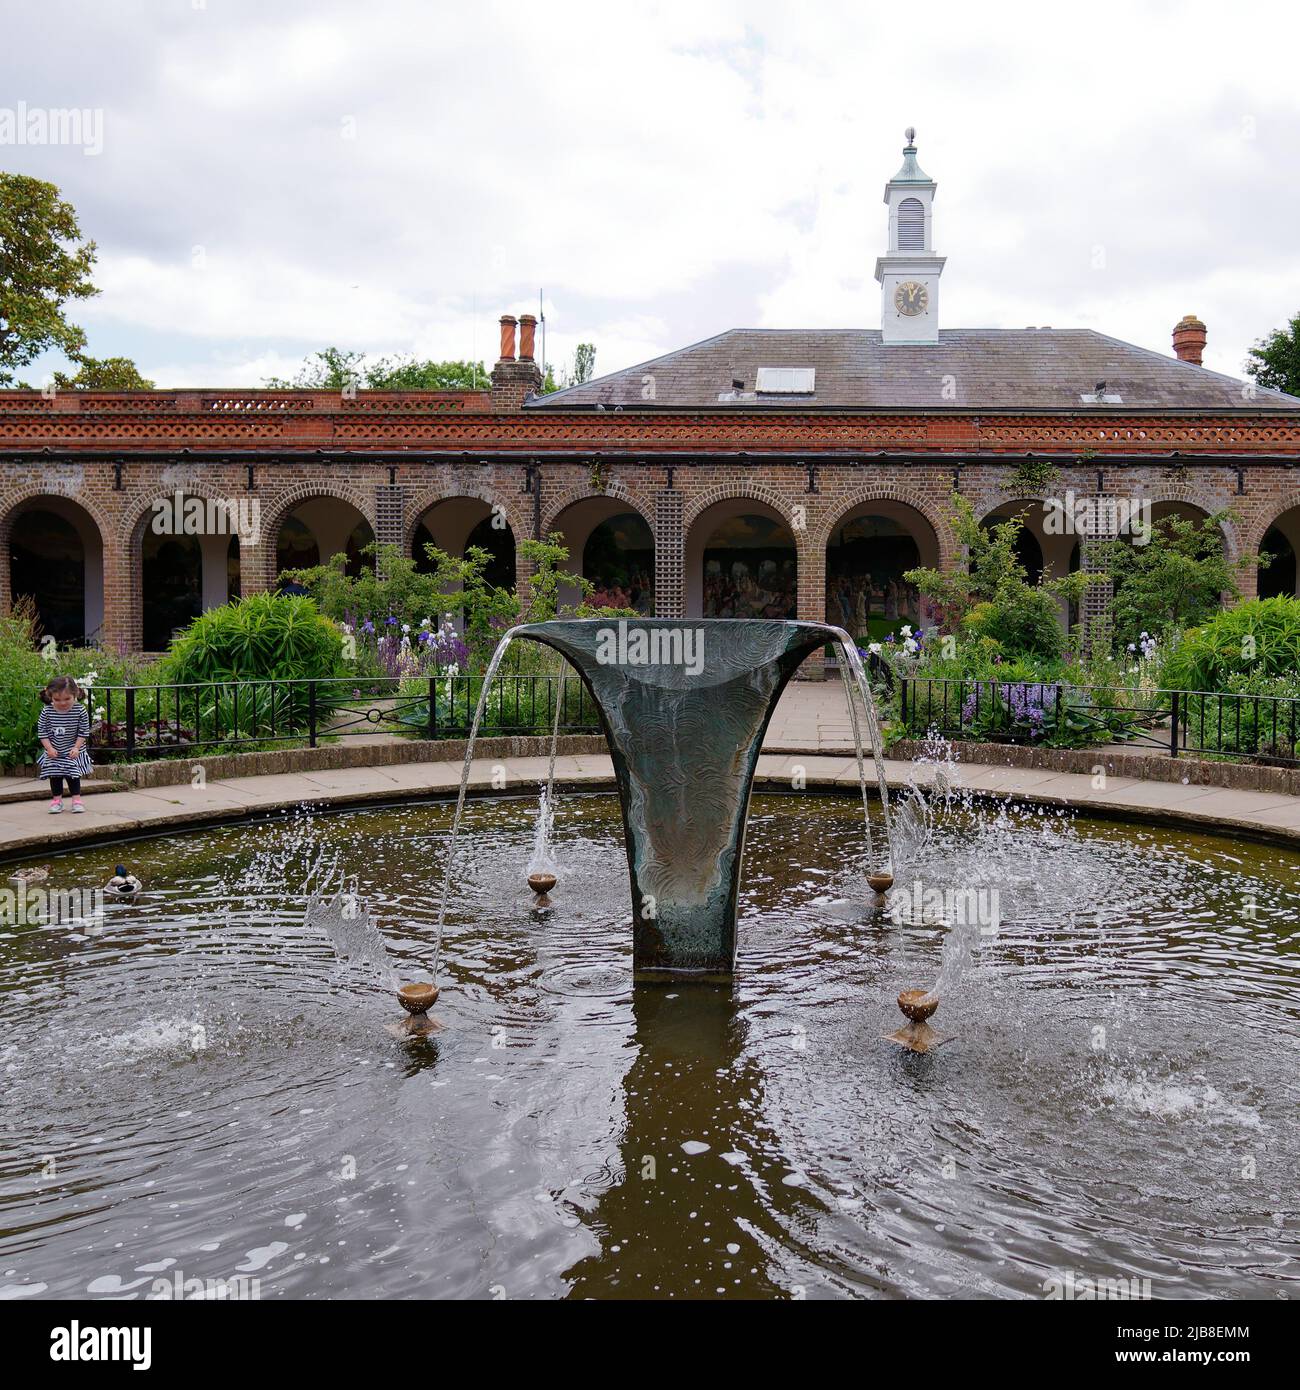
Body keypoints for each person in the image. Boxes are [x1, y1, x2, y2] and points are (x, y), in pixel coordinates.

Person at [38, 676, 92, 814]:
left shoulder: (80, 711)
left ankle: (77, 800)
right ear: (50, 697)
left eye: (67, 699)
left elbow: (83, 731)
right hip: (54, 750)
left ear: (76, 694)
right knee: (55, 775)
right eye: (57, 700)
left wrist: (76, 747)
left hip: (73, 749)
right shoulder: (47, 711)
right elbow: (42, 732)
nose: (62, 703)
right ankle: (57, 801)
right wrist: (49, 748)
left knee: (73, 775)